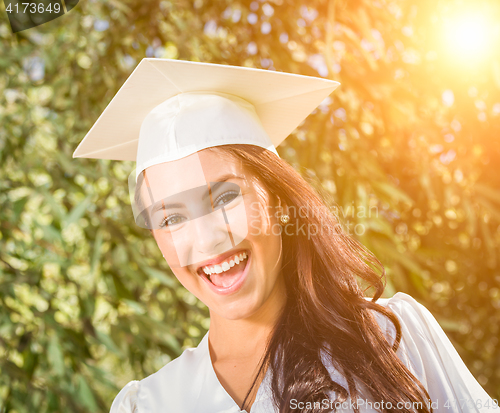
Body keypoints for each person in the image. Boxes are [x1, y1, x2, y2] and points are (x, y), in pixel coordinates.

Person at [73, 58, 497, 413]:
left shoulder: (393, 338)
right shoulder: (150, 405)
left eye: (224, 198)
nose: (206, 241)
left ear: (278, 200)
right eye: (170, 218)